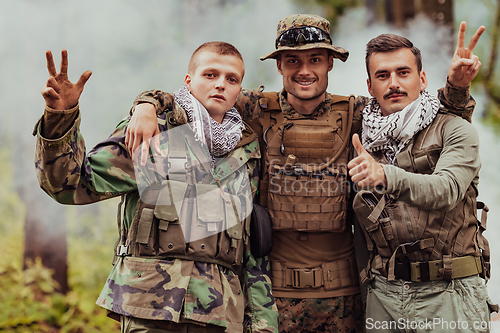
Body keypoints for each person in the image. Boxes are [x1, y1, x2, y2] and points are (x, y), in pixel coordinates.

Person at [125, 15, 483, 332]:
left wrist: (456, 88)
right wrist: (147, 103)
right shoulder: (253, 107)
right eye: (292, 61)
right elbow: (197, 97)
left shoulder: (359, 112)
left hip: (344, 295)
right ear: (279, 66)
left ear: (330, 63)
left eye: (315, 59)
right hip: (273, 295)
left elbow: (420, 115)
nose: (304, 70)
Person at [34, 42, 278, 333]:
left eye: (231, 79)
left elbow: (252, 251)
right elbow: (70, 184)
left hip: (221, 314)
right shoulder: (153, 130)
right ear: (189, 80)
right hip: (151, 307)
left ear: (240, 89)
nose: (220, 85)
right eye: (210, 75)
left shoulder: (247, 151)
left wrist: (264, 324)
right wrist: (61, 119)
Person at [348, 31, 498, 332]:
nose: (393, 83)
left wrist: (385, 174)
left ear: (423, 78)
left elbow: (446, 190)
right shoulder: (361, 134)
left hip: (449, 294)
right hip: (384, 295)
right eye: (382, 75)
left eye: (403, 72)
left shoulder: (454, 129)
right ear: (369, 86)